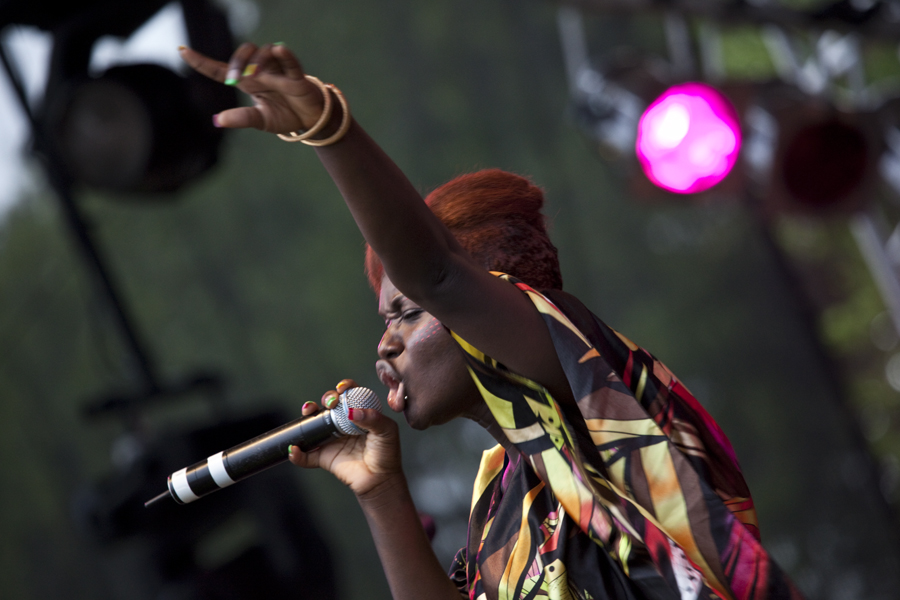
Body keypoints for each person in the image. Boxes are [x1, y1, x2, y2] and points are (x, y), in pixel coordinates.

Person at [180, 42, 804, 600]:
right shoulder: (502, 499)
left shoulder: (594, 390)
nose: (385, 342)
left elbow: (439, 272)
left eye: (406, 313)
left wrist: (328, 129)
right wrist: (381, 493)